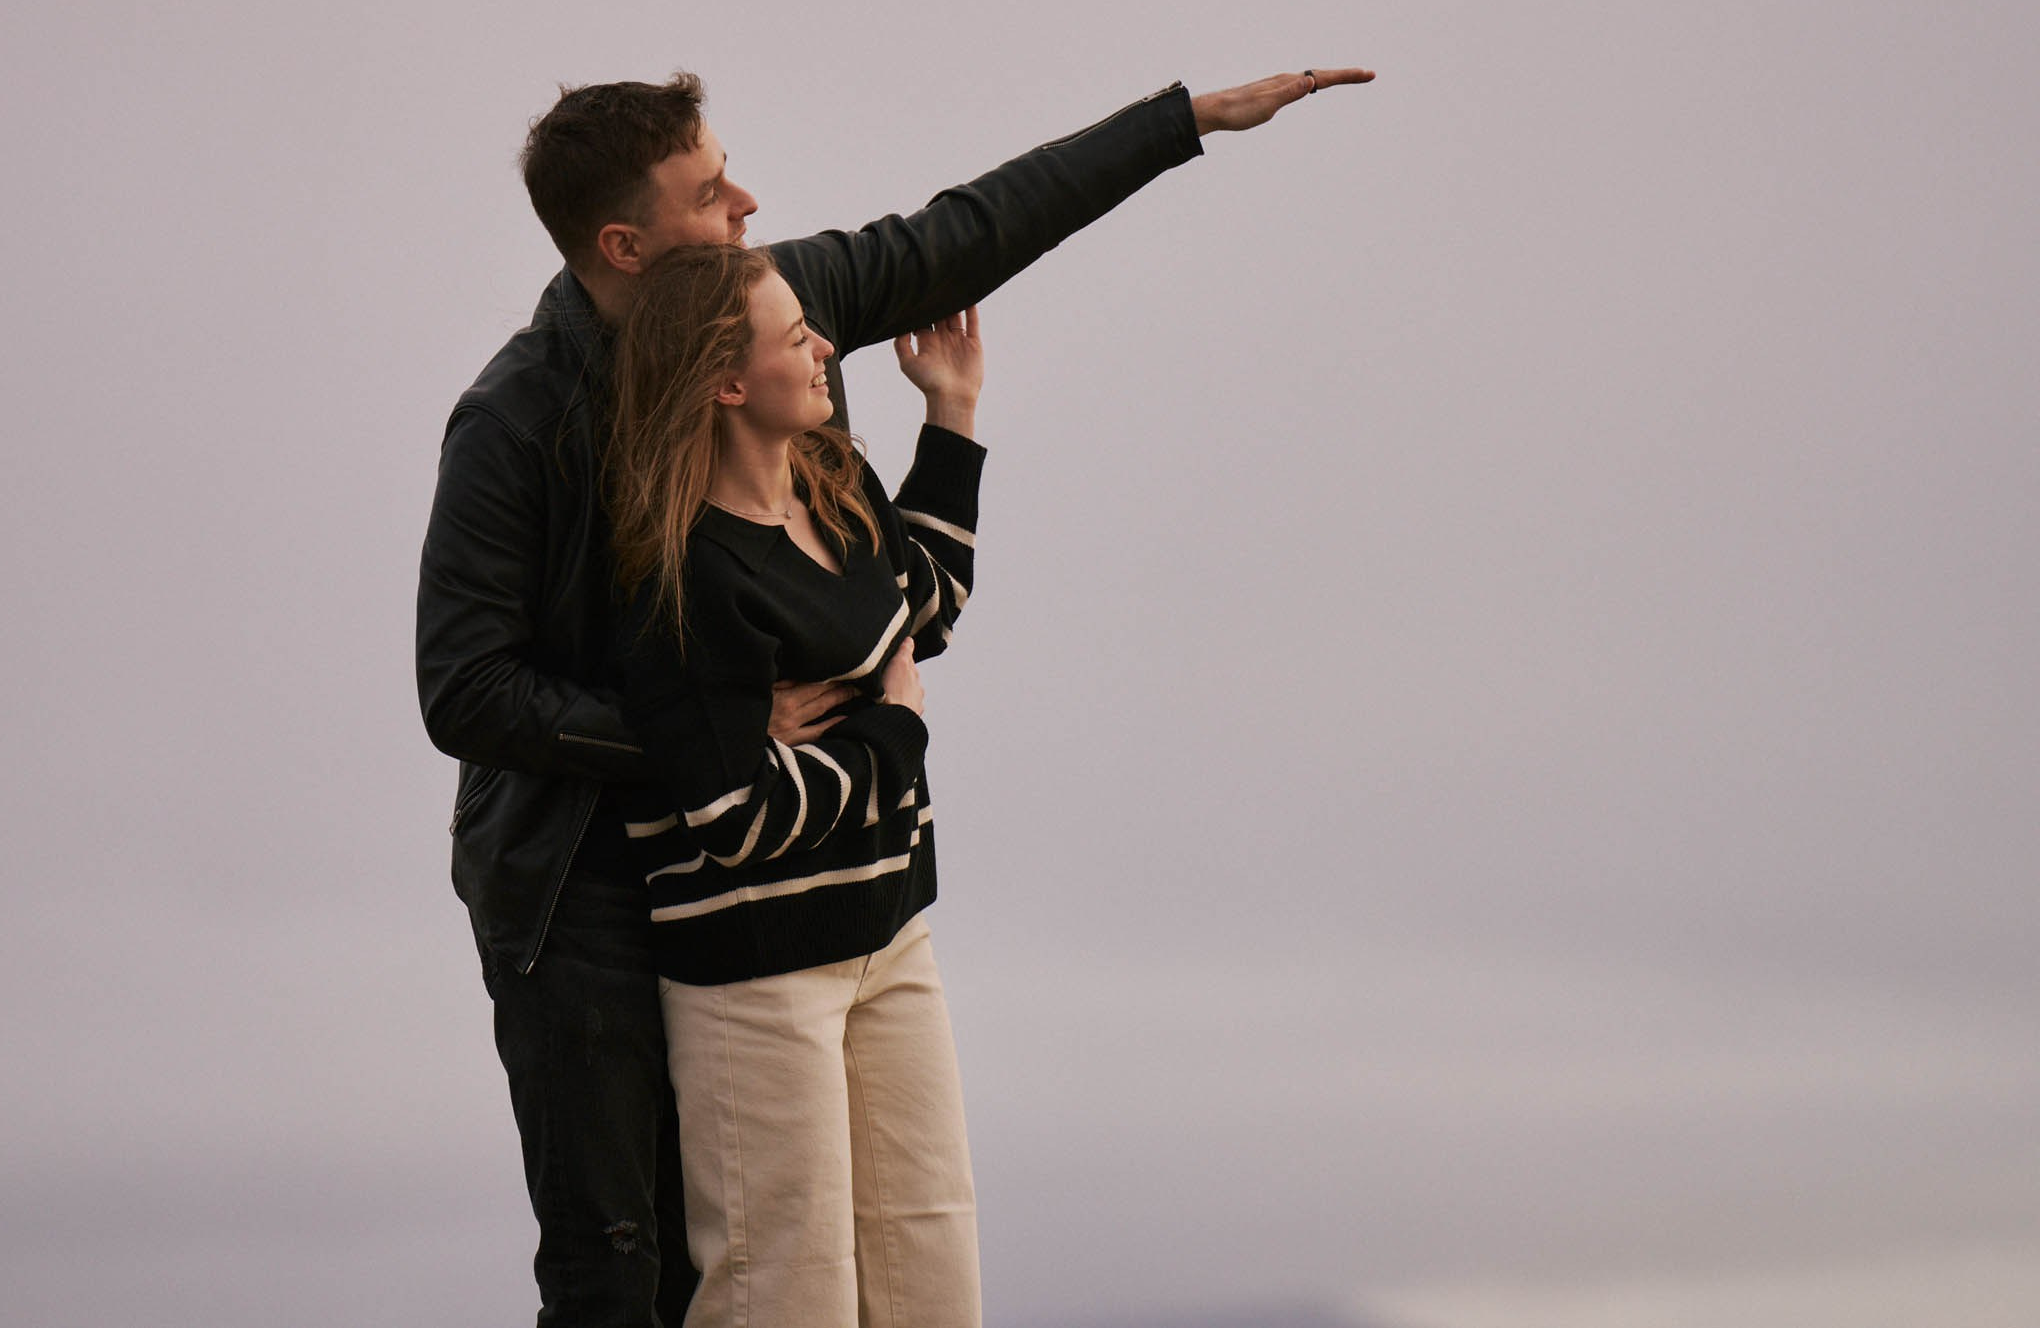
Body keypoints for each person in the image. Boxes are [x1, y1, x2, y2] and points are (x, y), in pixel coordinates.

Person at [416, 65, 1371, 1326]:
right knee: (620, 1263)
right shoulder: (514, 419)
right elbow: (464, 690)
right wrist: (703, 744)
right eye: (711, 193)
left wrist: (1183, 123)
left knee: (813, 1258)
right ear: (623, 244)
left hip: (782, 852)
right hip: (579, 886)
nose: (749, 203)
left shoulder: (778, 308)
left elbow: (962, 232)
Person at [605, 243, 986, 1327]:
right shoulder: (681, 571)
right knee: (785, 1297)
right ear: (727, 381)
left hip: (890, 932)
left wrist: (951, 412)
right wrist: (894, 733)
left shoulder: (835, 479)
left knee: (933, 1282)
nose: (826, 347)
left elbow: (925, 608)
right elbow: (735, 817)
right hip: (758, 977)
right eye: (796, 337)